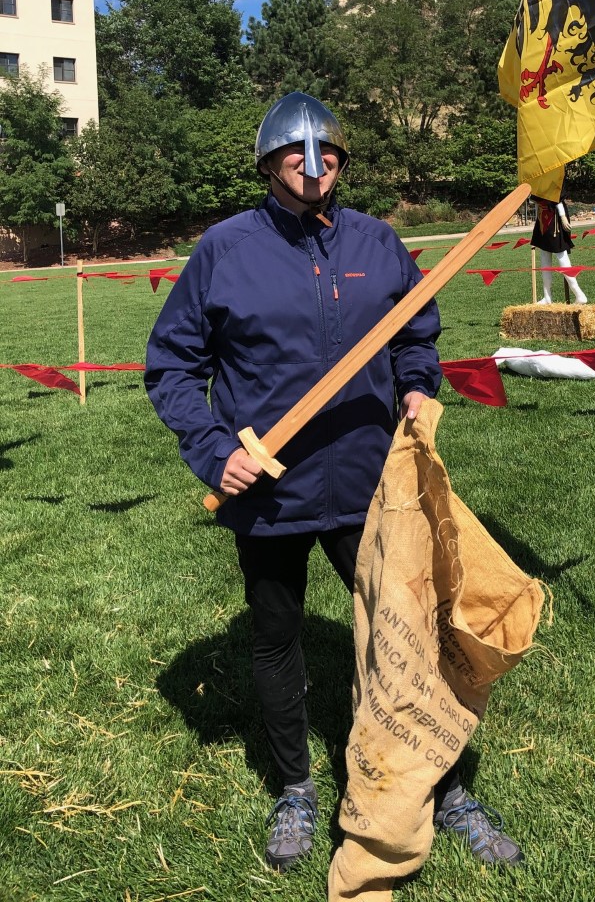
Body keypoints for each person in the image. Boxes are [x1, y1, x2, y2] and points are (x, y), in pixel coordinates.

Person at [145, 92, 522, 873]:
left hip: (366, 482)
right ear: (269, 165)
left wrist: (418, 385)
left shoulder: (377, 242)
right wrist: (216, 451)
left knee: (403, 639)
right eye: (296, 158)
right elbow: (173, 366)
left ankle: (438, 787)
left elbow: (416, 332)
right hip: (270, 491)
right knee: (278, 637)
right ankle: (295, 787)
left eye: (329, 158)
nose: (314, 171)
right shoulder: (224, 250)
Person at [531, 190, 588, 304]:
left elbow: (557, 198)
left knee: (561, 255)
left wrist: (562, 217)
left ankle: (579, 294)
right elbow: (537, 203)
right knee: (544, 257)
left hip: (554, 220)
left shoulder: (552, 178)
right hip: (542, 221)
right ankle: (547, 297)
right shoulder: (537, 183)